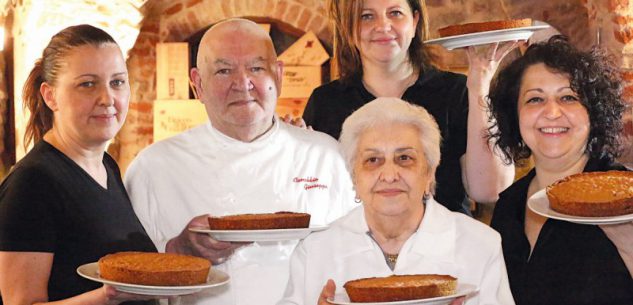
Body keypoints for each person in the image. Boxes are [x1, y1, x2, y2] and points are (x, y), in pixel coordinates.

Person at [124, 19, 356, 305]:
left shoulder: (325, 156)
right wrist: (178, 249)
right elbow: (130, 279)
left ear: (279, 76)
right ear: (197, 84)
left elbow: (357, 253)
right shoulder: (154, 167)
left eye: (256, 68)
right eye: (223, 71)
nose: (242, 84)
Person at [279, 97, 515, 305]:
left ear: (430, 172)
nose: (389, 175)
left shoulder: (480, 246)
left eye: (404, 158)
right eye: (373, 160)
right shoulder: (314, 253)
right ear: (353, 177)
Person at [301, 0, 516, 214]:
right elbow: (313, 194)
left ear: (414, 21)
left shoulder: (457, 91)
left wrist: (479, 88)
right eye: (366, 16)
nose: (383, 25)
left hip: (446, 243)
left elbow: (490, 190)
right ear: (349, 28)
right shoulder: (325, 102)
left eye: (395, 13)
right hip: (355, 244)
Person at [0, 25, 158, 305]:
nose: (108, 99)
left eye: (117, 82)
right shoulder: (33, 184)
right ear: (50, 96)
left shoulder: (107, 167)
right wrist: (107, 295)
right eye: (87, 84)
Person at [487, 35, 633, 305]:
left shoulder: (625, 199)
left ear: (593, 113)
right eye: (535, 100)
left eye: (568, 97)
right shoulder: (509, 205)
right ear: (514, 114)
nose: (552, 112)